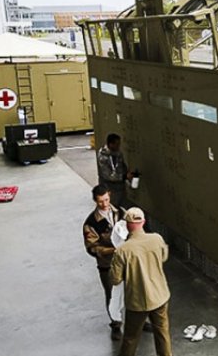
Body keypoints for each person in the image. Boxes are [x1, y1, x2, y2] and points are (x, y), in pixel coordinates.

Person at [111, 207, 172, 356]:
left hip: (136, 302)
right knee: (162, 334)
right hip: (159, 297)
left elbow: (115, 279)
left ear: (126, 225)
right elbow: (163, 257)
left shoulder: (122, 250)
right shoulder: (157, 239)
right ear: (143, 222)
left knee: (131, 338)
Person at [82, 185, 125, 341]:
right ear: (95, 201)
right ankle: (116, 324)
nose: (105, 204)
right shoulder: (91, 222)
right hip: (107, 264)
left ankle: (140, 321)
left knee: (134, 291)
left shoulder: (120, 212)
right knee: (112, 294)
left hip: (126, 260)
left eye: (106, 200)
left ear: (110, 196)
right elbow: (91, 248)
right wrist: (111, 251)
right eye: (100, 202)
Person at [97, 133, 133, 208]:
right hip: (109, 188)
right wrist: (124, 176)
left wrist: (128, 174)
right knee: (112, 208)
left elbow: (122, 166)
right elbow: (108, 175)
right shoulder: (103, 156)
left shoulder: (118, 153)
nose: (118, 146)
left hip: (120, 188)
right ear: (110, 144)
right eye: (117, 144)